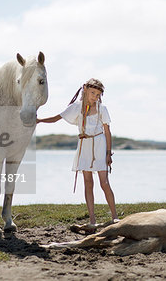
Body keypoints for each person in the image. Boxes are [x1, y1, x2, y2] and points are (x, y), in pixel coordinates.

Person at [37, 78, 119, 226]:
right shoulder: (77, 107)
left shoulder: (102, 109)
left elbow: (107, 132)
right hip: (84, 145)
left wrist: (108, 153)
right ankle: (92, 219)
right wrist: (40, 120)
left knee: (104, 182)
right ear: (85, 89)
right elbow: (57, 118)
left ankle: (115, 217)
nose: (95, 97)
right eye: (93, 93)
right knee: (88, 182)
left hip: (99, 144)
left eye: (98, 95)